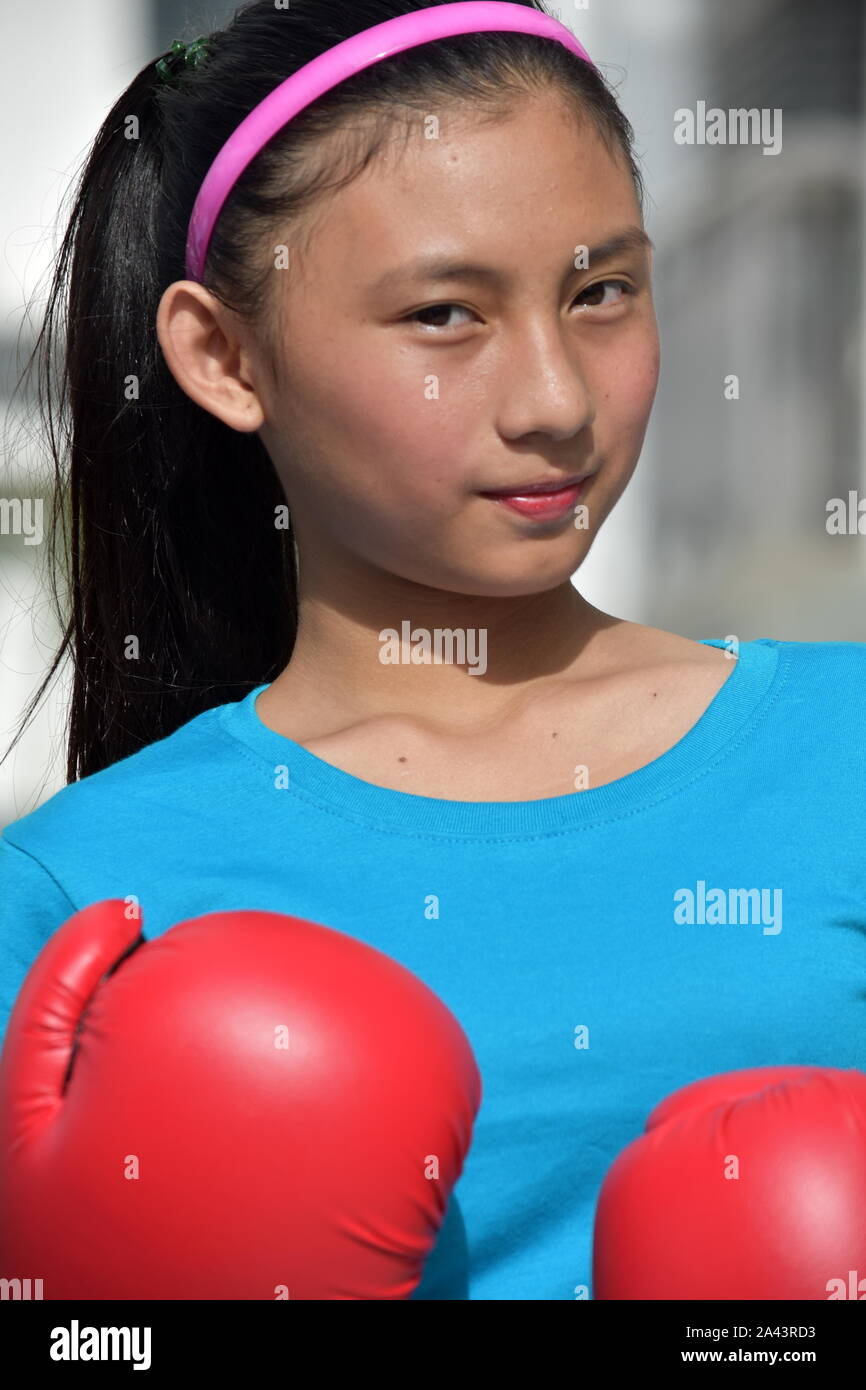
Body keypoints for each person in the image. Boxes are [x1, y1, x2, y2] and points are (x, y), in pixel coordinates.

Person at [1, 0, 864, 1300]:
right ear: (224, 356)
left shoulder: (844, 750)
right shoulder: (86, 892)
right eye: (444, 316)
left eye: (601, 292)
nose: (556, 400)